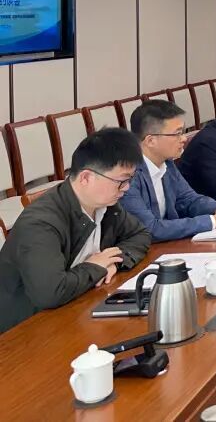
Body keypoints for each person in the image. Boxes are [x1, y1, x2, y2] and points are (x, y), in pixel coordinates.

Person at [0, 128, 151, 334]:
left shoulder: (106, 205)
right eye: (121, 181)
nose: (126, 188)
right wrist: (96, 267)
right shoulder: (40, 223)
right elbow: (50, 293)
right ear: (86, 178)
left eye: (129, 179)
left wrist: (114, 261)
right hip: (24, 329)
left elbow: (140, 234)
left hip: (75, 305)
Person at [120, 100, 216, 242]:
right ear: (151, 141)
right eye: (177, 134)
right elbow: (150, 229)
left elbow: (188, 199)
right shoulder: (127, 176)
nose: (184, 139)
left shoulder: (166, 162)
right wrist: (213, 221)